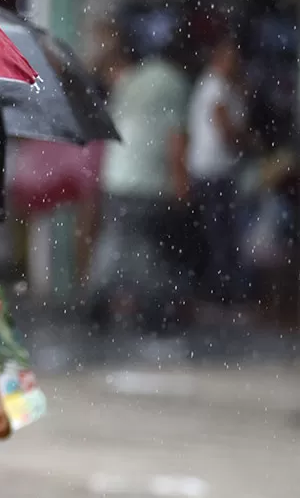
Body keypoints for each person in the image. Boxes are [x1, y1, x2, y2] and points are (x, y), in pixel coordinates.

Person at [88, 34, 194, 332]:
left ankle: (98, 304)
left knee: (115, 244)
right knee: (150, 251)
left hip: (117, 175)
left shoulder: (131, 79)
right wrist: (182, 184)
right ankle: (154, 314)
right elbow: (176, 140)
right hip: (149, 180)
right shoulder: (174, 82)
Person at [185, 35, 249, 311]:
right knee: (219, 233)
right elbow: (225, 128)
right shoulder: (216, 87)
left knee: (218, 232)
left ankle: (218, 290)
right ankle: (220, 293)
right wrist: (248, 141)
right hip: (213, 169)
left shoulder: (216, 85)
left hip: (212, 167)